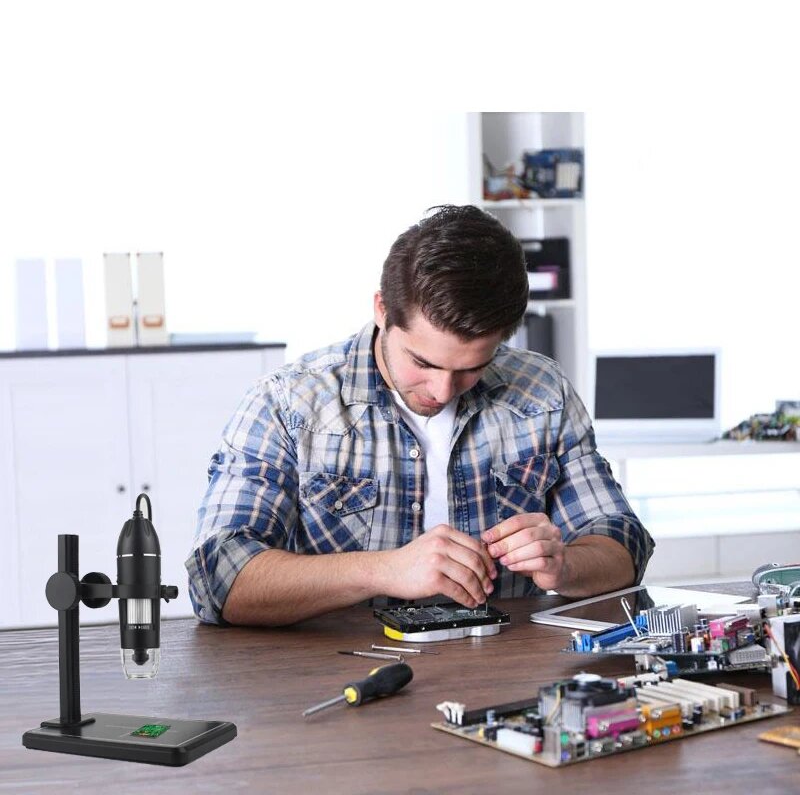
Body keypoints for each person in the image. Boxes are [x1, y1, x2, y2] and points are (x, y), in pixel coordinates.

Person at [186, 205, 654, 626]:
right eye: (423, 363)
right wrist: (383, 570)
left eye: (472, 367)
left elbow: (621, 543)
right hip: (343, 674)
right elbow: (218, 578)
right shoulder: (288, 403)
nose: (442, 391)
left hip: (507, 668)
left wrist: (565, 565)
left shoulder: (542, 391)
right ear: (382, 311)